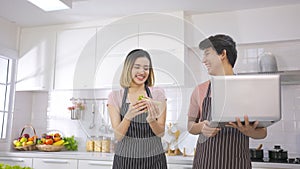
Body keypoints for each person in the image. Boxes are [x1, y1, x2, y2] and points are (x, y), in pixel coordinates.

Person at [187, 34, 267, 169]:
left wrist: (249, 131)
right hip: (204, 163)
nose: (203, 60)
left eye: (207, 54)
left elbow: (262, 132)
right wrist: (202, 127)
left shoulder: (248, 89)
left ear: (222, 54)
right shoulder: (200, 90)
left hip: (236, 164)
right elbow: (190, 126)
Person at [107, 49, 167, 169]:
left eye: (146, 68)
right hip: (125, 161)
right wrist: (128, 117)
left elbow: (161, 133)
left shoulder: (157, 94)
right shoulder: (115, 96)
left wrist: (151, 119)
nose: (142, 71)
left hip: (154, 160)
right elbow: (118, 136)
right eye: (137, 67)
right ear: (128, 68)